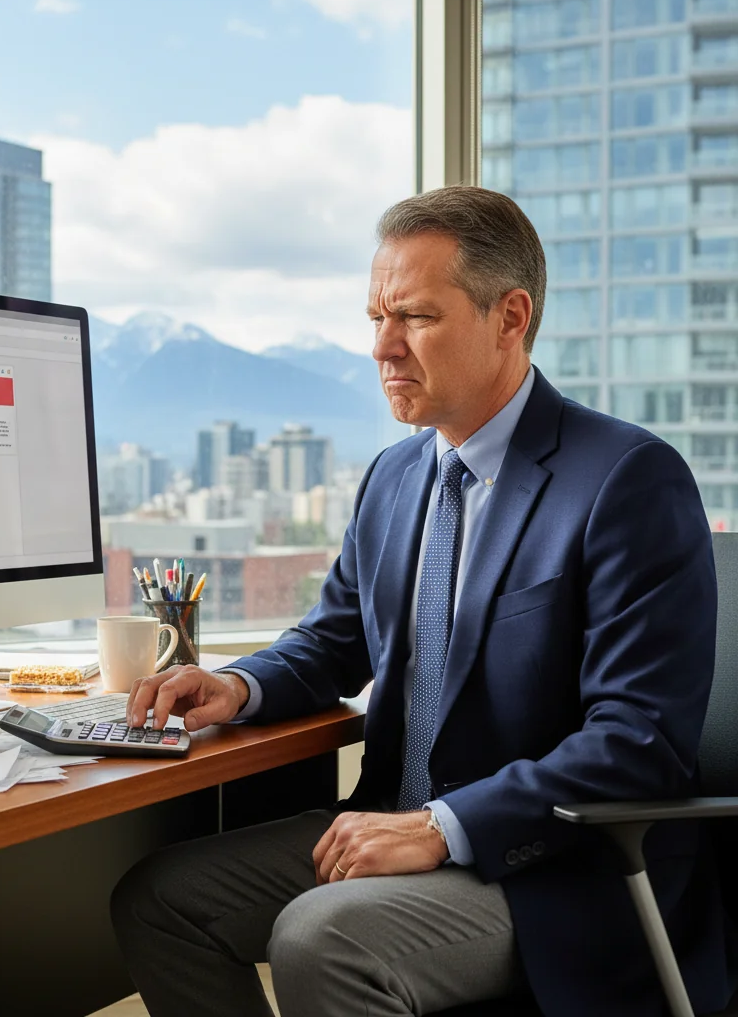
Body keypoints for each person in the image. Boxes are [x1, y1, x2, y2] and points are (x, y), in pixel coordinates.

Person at [109, 187, 735, 1017]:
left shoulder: (625, 480)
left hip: (553, 866)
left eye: (414, 318)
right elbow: (333, 641)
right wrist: (237, 687)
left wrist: (441, 825)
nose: (383, 348)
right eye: (375, 318)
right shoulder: (395, 477)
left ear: (510, 317)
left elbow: (638, 742)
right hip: (387, 823)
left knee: (320, 935)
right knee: (162, 898)